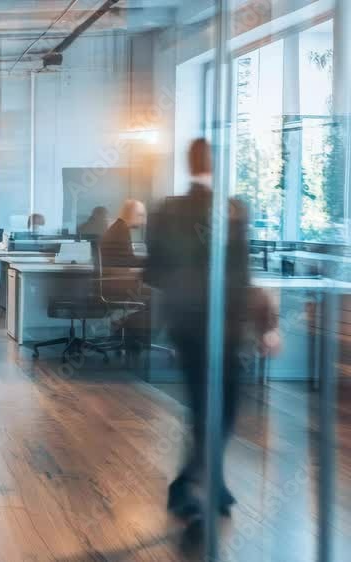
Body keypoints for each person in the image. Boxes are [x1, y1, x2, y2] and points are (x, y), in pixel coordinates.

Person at [145, 139, 252, 529]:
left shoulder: (166, 210)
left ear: (187, 163)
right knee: (222, 407)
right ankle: (196, 484)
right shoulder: (233, 210)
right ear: (216, 165)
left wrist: (182, 284)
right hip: (224, 326)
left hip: (184, 323)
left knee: (202, 406)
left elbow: (151, 273)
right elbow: (241, 276)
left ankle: (204, 484)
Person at [100, 199, 146, 267]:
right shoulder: (121, 231)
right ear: (131, 214)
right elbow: (129, 261)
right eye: (140, 215)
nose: (143, 221)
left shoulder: (120, 226)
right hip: (115, 274)